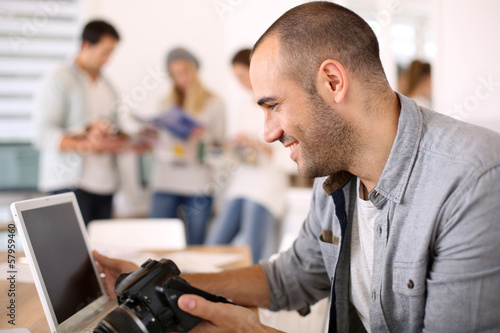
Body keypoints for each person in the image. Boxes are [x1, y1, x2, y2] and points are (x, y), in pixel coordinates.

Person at [94, 2, 500, 332]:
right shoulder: (336, 173)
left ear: (333, 82)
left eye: (273, 106)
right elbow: (292, 276)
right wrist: (164, 285)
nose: (268, 133)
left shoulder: (473, 180)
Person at [34, 20, 136, 225]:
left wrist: (124, 139)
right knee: (71, 254)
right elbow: (43, 135)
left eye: (112, 53)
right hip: (71, 184)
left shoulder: (107, 86)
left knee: (99, 251)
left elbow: (116, 129)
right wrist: (86, 143)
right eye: (104, 52)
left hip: (105, 185)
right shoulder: (59, 79)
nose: (108, 59)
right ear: (86, 45)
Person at [205, 49, 288, 263]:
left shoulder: (279, 103)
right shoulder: (245, 104)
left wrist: (254, 143)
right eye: (237, 78)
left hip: (265, 185)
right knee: (215, 244)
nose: (240, 82)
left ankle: (253, 291)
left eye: (242, 76)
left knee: (252, 252)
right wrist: (236, 145)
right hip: (243, 181)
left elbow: (286, 154)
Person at [149, 47, 225, 245]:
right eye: (174, 74)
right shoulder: (164, 103)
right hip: (166, 178)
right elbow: (158, 141)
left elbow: (220, 147)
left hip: (198, 181)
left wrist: (203, 138)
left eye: (184, 71)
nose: (180, 78)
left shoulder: (214, 103)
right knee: (159, 241)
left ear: (195, 69)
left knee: (195, 244)